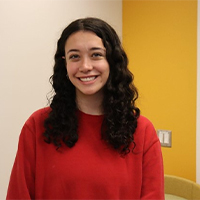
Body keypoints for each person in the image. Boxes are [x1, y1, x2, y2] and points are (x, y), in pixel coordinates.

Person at [6, 17, 164, 199]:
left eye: (96, 54)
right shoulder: (38, 126)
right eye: (75, 56)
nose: (85, 66)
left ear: (112, 61)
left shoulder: (142, 132)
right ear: (64, 64)